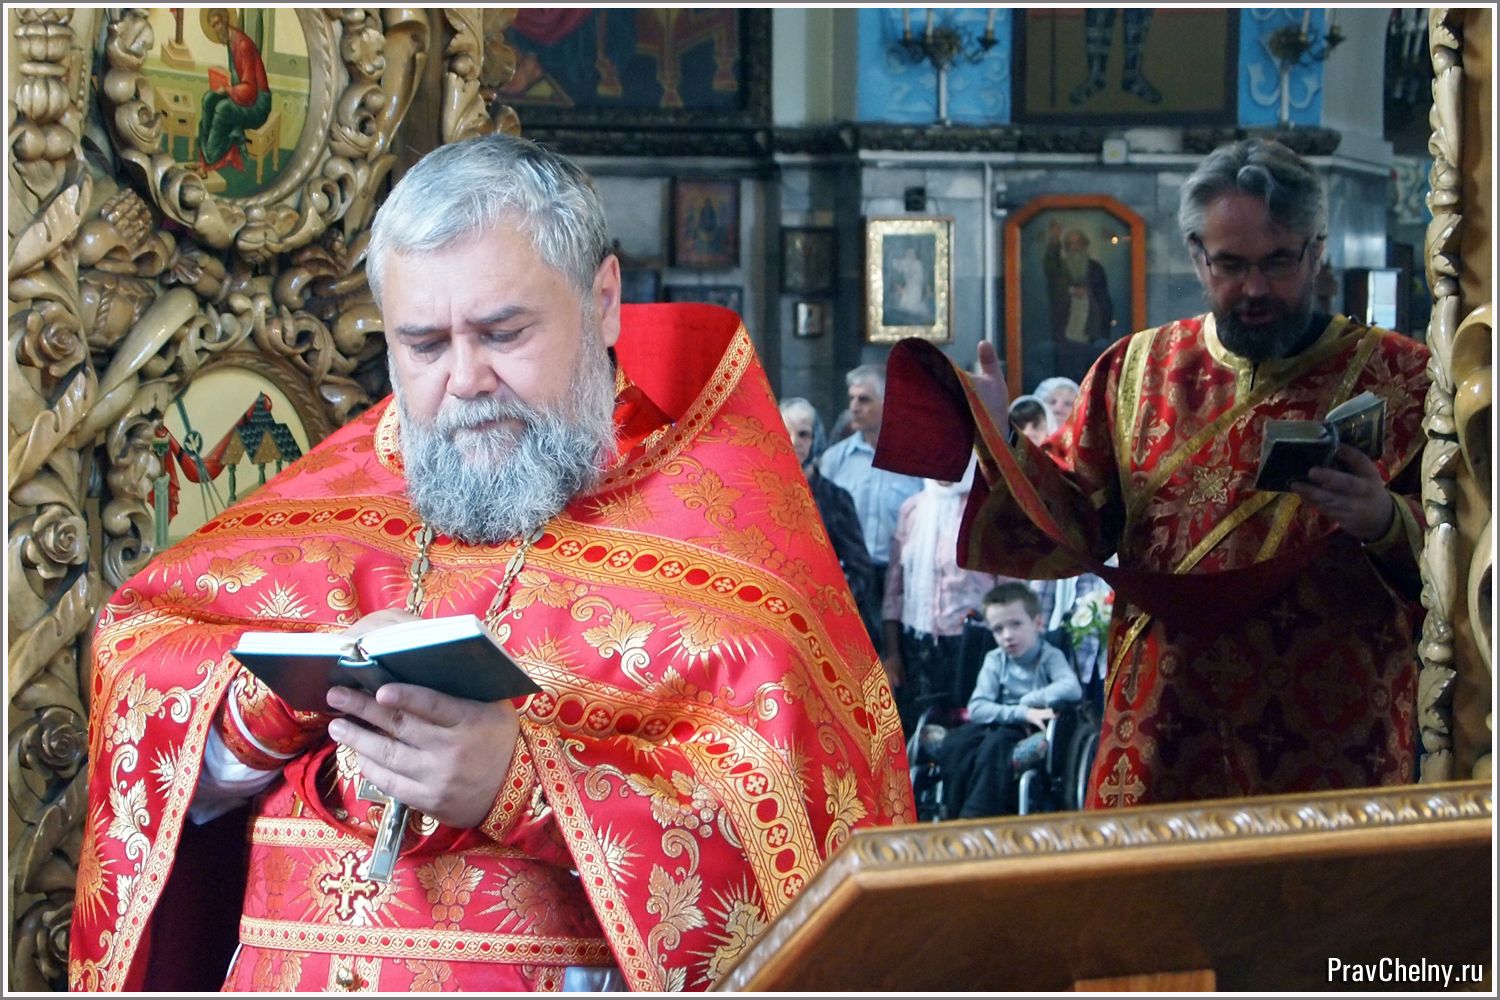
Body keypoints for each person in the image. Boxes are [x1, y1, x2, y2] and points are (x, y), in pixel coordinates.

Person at [69, 133, 912, 992]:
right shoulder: (337, 494)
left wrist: (525, 785)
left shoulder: (720, 531)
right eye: (425, 346)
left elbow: (803, 848)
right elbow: (142, 676)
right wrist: (288, 692)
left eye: (502, 333)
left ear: (604, 301)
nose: (466, 379)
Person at [876, 138, 1430, 809]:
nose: (1255, 288)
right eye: (1231, 265)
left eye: (1278, 262)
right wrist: (1001, 441)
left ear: (1317, 252)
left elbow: (1469, 552)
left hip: (1335, 723)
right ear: (1197, 257)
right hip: (1165, 716)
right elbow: (1070, 528)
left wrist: (1383, 519)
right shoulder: (1134, 371)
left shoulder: (1403, 378)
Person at [881, 458, 1007, 735]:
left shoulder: (985, 509)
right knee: (918, 731)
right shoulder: (913, 510)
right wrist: (893, 654)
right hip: (917, 644)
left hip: (971, 644)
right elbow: (894, 591)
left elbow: (1008, 590)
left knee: (963, 732)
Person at [937, 583, 1081, 819]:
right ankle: (951, 812)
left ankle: (975, 815)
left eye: (1016, 624)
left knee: (995, 747)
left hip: (1027, 728)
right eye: (998, 629)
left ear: (1037, 623)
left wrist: (1031, 699)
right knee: (957, 743)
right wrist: (1022, 711)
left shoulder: (1049, 656)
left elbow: (1072, 688)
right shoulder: (995, 659)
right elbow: (977, 707)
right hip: (1000, 719)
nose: (1007, 635)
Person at [820, 364, 924, 652]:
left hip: (902, 581)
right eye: (852, 398)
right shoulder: (835, 459)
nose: (854, 407)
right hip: (852, 581)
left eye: (864, 400)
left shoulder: (915, 458)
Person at [779, 396, 882, 649]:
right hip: (777, 628)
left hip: (826, 631)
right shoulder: (760, 495)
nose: (794, 441)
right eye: (785, 432)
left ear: (815, 439)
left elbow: (861, 570)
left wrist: (830, 609)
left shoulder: (836, 499)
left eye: (804, 434)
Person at [197, 8, 272, 174]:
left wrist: (227, 89)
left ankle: (213, 155)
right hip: (242, 96)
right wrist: (225, 86)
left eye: (218, 23)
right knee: (208, 99)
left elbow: (250, 91)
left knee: (223, 108)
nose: (216, 29)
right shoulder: (229, 42)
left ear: (226, 20)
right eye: (213, 26)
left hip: (258, 104)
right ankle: (204, 158)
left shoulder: (242, 45)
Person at [1043, 222, 1113, 384]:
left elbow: (1104, 301)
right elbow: (1050, 266)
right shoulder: (1060, 269)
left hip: (1090, 334)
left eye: (1078, 243)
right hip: (1065, 335)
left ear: (1085, 246)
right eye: (1070, 244)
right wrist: (1054, 240)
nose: (1074, 248)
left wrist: (1088, 295)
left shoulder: (1095, 269)